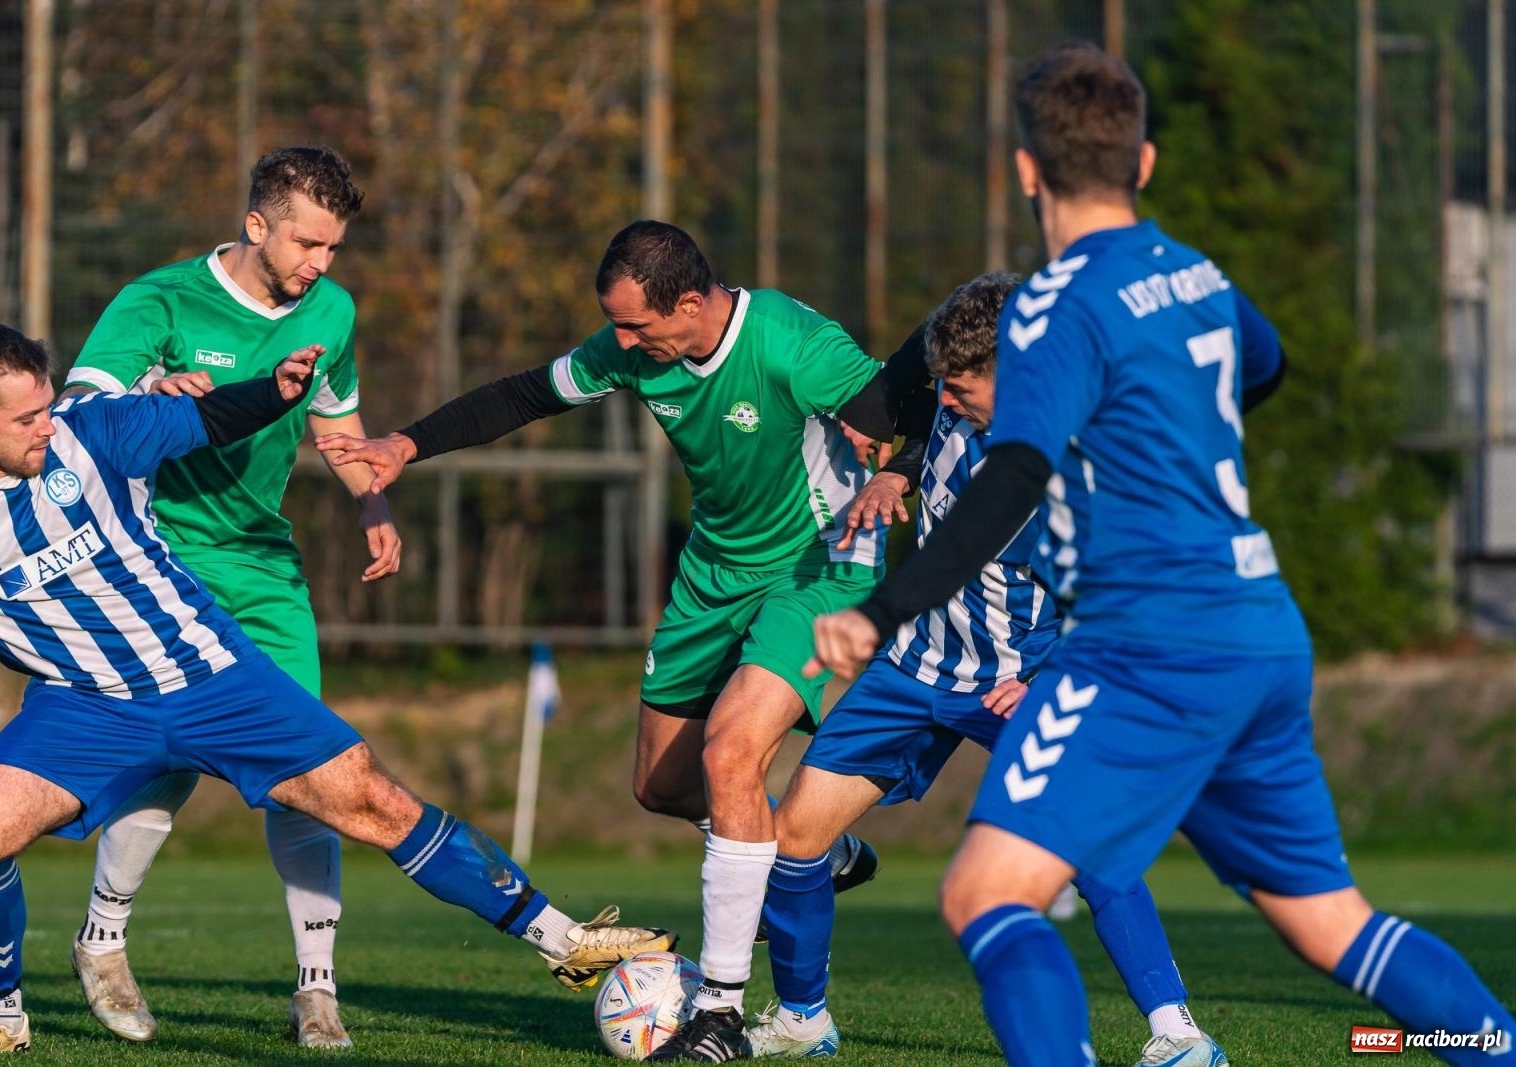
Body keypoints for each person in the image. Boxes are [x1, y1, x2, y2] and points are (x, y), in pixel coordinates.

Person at [808, 42, 1515, 1066]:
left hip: (1153, 640)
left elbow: (1006, 479)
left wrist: (879, 611)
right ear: (1142, 164)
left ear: (1024, 170)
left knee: (982, 894)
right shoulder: (1193, 273)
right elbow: (1261, 368)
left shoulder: (1049, 310)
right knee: (1333, 926)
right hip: (1259, 629)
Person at [0, 322, 674, 1058]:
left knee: (375, 800)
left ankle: (563, 938)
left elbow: (206, 417)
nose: (46, 424)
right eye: (26, 417)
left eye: (49, 404)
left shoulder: (93, 430)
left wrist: (276, 393)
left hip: (213, 676)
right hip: (88, 704)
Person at [314, 220, 899, 1061]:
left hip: (817, 564)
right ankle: (812, 850)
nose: (620, 343)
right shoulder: (633, 350)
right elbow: (523, 394)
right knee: (662, 785)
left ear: (690, 303)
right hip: (714, 570)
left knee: (731, 752)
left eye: (635, 327)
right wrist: (407, 443)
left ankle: (723, 1010)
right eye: (616, 326)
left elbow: (902, 403)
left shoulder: (789, 343)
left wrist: (892, 466)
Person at [746, 273, 1225, 1067]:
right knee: (798, 831)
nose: (945, 398)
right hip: (914, 667)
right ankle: (803, 1019)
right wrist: (898, 468)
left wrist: (1050, 678)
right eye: (941, 385)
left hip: (1020, 673)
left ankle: (1180, 1035)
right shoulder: (952, 401)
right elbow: (927, 439)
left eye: (961, 387)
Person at [58, 145, 399, 1048]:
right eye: (308, 243)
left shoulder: (330, 308)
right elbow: (76, 408)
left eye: (334, 247)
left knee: (313, 773)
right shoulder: (159, 300)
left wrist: (373, 498)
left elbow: (336, 416)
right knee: (165, 763)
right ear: (257, 226)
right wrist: (148, 389)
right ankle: (102, 941)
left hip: (265, 569)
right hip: (162, 562)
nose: (322, 264)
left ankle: (317, 992)